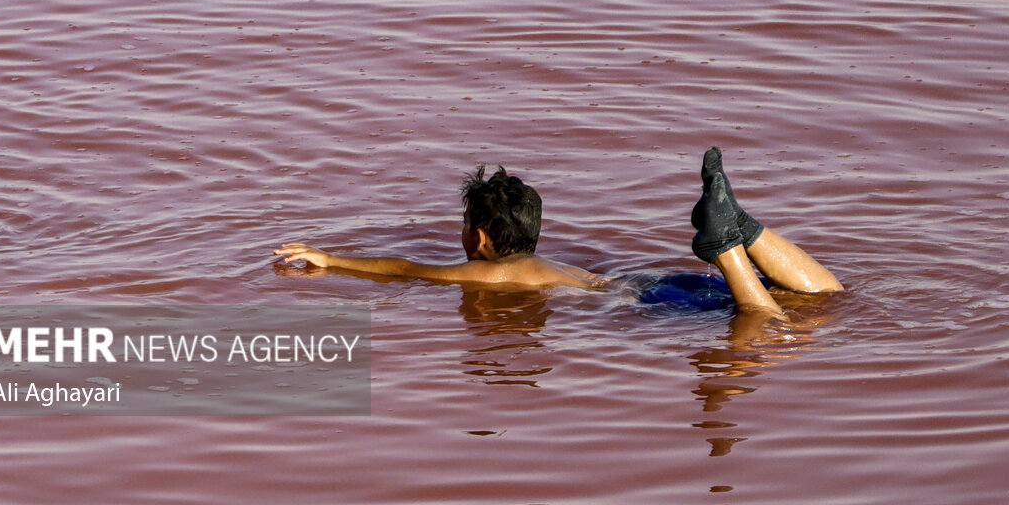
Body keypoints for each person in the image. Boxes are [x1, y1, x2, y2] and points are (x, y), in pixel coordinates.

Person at [274, 148, 842, 320]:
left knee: (771, 327)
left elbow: (406, 270)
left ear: (480, 240)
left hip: (648, 306)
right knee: (825, 299)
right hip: (652, 283)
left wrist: (331, 260)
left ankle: (726, 246)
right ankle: (744, 230)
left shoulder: (490, 273)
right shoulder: (553, 267)